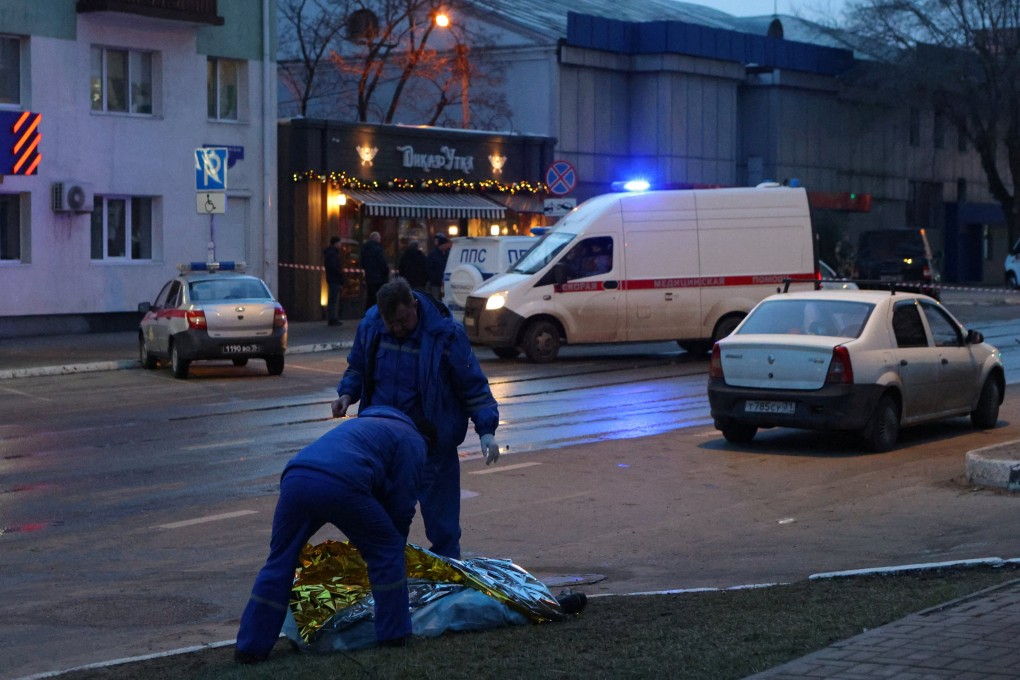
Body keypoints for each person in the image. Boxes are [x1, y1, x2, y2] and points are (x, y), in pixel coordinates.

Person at [235, 406, 431, 663]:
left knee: (280, 561)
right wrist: (394, 538)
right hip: (341, 484)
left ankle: (250, 648)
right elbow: (402, 502)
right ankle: (394, 635)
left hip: (296, 476)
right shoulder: (413, 439)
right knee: (387, 549)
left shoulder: (370, 424)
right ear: (429, 439)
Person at [331, 277, 500, 559]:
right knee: (386, 524)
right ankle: (388, 583)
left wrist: (486, 430)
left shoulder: (445, 335)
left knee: (443, 528)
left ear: (414, 305)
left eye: (403, 320)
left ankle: (446, 585)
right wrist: (347, 395)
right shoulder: (372, 326)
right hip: (385, 447)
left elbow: (472, 385)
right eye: (391, 323)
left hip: (431, 446)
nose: (397, 329)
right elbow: (357, 368)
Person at [360, 231, 390, 312]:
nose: (380, 240)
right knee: (378, 297)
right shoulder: (378, 249)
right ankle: (376, 314)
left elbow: (362, 263)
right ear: (376, 238)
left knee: (370, 296)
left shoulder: (365, 248)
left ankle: (368, 313)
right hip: (379, 278)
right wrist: (386, 273)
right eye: (379, 238)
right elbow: (382, 263)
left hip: (369, 277)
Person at [323, 236, 345, 326]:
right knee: (333, 299)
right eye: (340, 243)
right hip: (334, 279)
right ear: (336, 243)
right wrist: (340, 276)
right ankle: (332, 318)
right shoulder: (333, 254)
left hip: (332, 279)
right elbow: (334, 267)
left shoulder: (330, 253)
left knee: (333, 299)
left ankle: (333, 318)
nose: (341, 245)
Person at [426, 233, 452, 299]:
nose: (447, 246)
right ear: (442, 244)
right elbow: (429, 268)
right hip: (436, 284)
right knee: (436, 299)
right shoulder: (433, 254)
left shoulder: (447, 253)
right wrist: (435, 278)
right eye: (446, 244)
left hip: (445, 283)